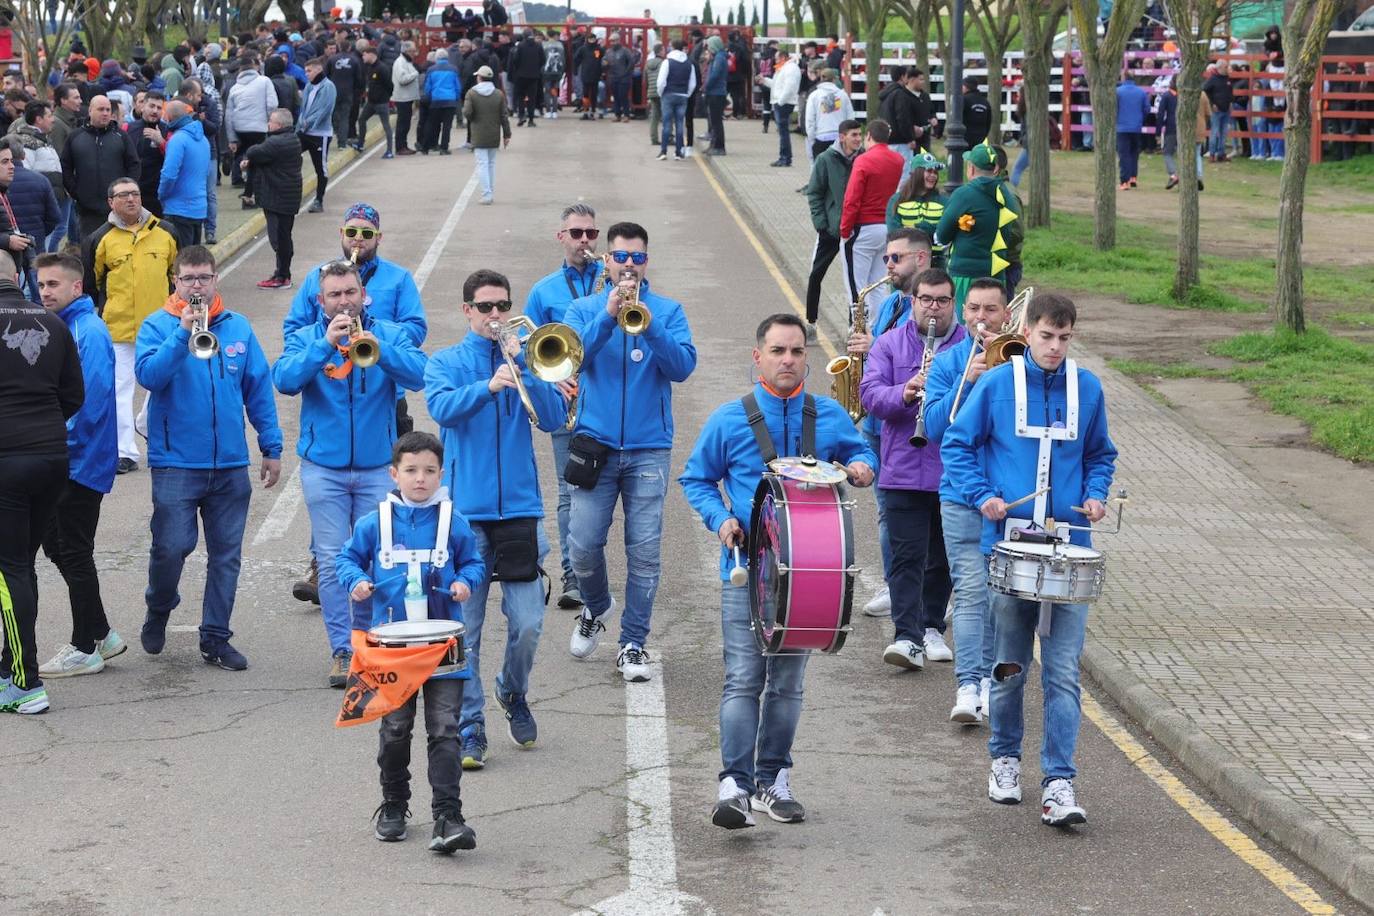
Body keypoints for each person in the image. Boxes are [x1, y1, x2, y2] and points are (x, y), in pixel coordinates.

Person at [680, 312, 875, 829]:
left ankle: (772, 778)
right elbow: (696, 479)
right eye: (777, 351)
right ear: (758, 356)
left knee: (787, 685)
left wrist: (862, 466)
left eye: (796, 352)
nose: (788, 360)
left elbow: (861, 451)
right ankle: (734, 785)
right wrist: (721, 520)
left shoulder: (829, 414)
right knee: (744, 679)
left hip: (811, 574)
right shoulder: (729, 419)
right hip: (748, 571)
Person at [941, 292, 1117, 826]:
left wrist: (1095, 492)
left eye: (1065, 338)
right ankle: (1005, 760)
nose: (1055, 347)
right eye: (1046, 336)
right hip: (1009, 545)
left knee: (1063, 672)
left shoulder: (1087, 388)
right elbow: (956, 444)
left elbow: (1099, 454)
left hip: (1070, 549)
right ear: (1027, 330)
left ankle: (1059, 781)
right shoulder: (995, 384)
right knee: (1010, 667)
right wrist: (981, 495)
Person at [424, 268, 565, 770]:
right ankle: (471, 724)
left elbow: (551, 420)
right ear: (467, 311)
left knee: (528, 622)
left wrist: (529, 370)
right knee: (468, 627)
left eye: (501, 305)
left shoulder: (527, 354)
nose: (495, 315)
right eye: (484, 307)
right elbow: (440, 408)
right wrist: (487, 386)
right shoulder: (446, 361)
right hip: (466, 513)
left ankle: (513, 689)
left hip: (521, 509)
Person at [274, 257, 427, 687]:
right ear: (321, 301)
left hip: (379, 467)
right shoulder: (307, 337)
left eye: (350, 293)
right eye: (335, 295)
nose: (344, 302)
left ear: (364, 295)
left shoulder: (387, 332)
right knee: (331, 560)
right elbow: (284, 379)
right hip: (324, 469)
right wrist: (324, 345)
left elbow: (418, 375)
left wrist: (377, 344)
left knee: (373, 559)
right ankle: (342, 650)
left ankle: (368, 643)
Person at [335, 431, 484, 852]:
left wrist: (464, 582)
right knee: (397, 727)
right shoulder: (375, 522)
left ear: (441, 474)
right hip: (392, 646)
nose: (420, 479)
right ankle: (394, 804)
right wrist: (358, 581)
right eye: (411, 470)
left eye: (430, 471)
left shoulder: (453, 521)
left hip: (443, 644)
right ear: (394, 473)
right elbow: (346, 558)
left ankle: (448, 816)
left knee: (446, 728)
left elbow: (474, 561)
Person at [134, 245, 281, 669]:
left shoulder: (238, 327)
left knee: (226, 556)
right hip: (176, 463)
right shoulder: (156, 326)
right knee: (172, 547)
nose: (196, 286)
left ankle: (215, 637)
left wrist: (270, 446)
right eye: (188, 279)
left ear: (216, 279)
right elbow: (148, 376)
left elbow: (258, 389)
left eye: (204, 278)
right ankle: (159, 607)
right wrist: (182, 333)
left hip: (230, 465)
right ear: (175, 283)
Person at [564, 222, 696, 682]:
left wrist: (651, 325)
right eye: (620, 257)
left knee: (644, 553)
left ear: (647, 261)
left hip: (648, 450)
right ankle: (597, 606)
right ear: (607, 261)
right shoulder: (582, 308)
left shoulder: (668, 310)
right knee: (581, 546)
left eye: (637, 257)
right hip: (595, 445)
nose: (628, 265)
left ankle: (633, 642)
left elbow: (682, 368)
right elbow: (571, 358)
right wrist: (606, 315)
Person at [284, 202, 428, 603]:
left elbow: (416, 330)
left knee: (379, 504)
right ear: (342, 234)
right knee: (330, 483)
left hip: (384, 392)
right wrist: (325, 337)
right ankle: (324, 563)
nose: (358, 240)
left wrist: (380, 338)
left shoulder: (398, 280)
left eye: (367, 233)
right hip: (331, 390)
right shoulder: (318, 279)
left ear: (378, 237)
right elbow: (294, 330)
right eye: (352, 232)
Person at [859, 267, 963, 671]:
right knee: (906, 556)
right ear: (913, 302)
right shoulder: (888, 344)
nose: (933, 308)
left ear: (952, 303)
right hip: (902, 467)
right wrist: (905, 390)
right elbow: (870, 397)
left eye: (941, 300)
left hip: (950, 469)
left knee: (942, 557)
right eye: (926, 300)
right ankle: (907, 637)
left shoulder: (968, 348)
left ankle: (933, 626)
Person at [920, 277, 1012, 722]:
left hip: (1010, 502)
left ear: (1006, 315)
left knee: (1002, 597)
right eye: (973, 308)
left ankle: (995, 684)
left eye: (990, 310)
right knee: (973, 592)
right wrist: (967, 379)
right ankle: (968, 687)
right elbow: (936, 428)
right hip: (960, 496)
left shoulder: (1020, 363)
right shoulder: (947, 361)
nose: (980, 318)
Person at [0, 250, 84, 714]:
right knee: (18, 567)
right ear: (18, 279)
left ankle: (24, 682)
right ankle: (10, 665)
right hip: (51, 457)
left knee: (9, 571)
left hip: (8, 461)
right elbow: (74, 394)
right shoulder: (53, 323)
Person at [33, 253, 123, 679]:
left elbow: (87, 403)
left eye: (54, 284)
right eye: (42, 283)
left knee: (73, 550)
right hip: (66, 459)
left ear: (77, 288)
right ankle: (102, 632)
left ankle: (84, 646)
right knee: (57, 545)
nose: (46, 291)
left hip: (79, 462)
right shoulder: (62, 326)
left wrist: (53, 445)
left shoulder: (87, 330)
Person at [524, 203, 604, 611]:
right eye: (576, 233)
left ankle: (593, 571)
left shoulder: (614, 284)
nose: (585, 241)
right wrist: (555, 384)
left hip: (607, 405)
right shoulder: (543, 291)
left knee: (608, 492)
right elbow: (530, 351)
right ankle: (574, 575)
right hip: (567, 403)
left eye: (591, 233)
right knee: (570, 492)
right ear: (562, 238)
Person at [849, 228, 932, 618]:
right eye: (885, 259)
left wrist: (874, 346)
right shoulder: (889, 301)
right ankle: (895, 583)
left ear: (921, 259)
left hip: (907, 422)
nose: (887, 266)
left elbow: (916, 349)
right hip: (878, 419)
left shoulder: (935, 305)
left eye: (895, 258)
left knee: (904, 513)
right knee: (885, 510)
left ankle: (906, 589)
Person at [85, 177, 179, 475]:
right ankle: (125, 452)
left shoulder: (165, 232)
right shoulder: (100, 238)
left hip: (160, 327)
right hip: (118, 327)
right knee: (119, 390)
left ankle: (145, 422)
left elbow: (177, 274)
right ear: (110, 202)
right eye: (123, 195)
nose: (131, 200)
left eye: (135, 194)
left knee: (161, 382)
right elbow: (93, 282)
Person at [934, 144, 1023, 316]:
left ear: (971, 168)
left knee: (964, 326)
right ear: (995, 169)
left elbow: (942, 235)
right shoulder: (1006, 194)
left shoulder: (964, 194)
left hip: (965, 274)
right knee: (992, 326)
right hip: (996, 276)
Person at [841, 119, 905, 322]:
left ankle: (857, 330)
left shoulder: (863, 160)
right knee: (878, 285)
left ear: (869, 136)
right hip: (885, 227)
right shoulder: (898, 160)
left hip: (862, 227)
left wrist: (845, 229)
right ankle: (879, 328)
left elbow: (852, 198)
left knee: (856, 286)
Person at [803, 119, 861, 328]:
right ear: (842, 136)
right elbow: (815, 192)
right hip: (830, 230)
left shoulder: (862, 159)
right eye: (853, 135)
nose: (858, 139)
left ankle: (853, 325)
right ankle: (811, 321)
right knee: (816, 274)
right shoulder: (826, 159)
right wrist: (821, 224)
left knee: (853, 282)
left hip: (854, 232)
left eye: (859, 134)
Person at [61, 96, 141, 240]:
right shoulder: (75, 137)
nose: (105, 113)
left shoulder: (121, 136)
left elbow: (134, 165)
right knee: (90, 251)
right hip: (88, 210)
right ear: (90, 111)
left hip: (117, 209)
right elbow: (65, 166)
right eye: (100, 109)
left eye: (108, 110)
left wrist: (127, 191)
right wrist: (76, 192)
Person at [244, 108, 303, 289]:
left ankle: (283, 276)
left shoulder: (276, 142)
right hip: (287, 196)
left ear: (278, 125)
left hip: (279, 198)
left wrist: (250, 160)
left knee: (279, 238)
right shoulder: (292, 139)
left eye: (270, 121)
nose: (268, 124)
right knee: (284, 236)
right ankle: (281, 273)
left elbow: (254, 152)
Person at [158, 99, 211, 249]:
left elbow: (168, 175)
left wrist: (161, 195)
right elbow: (206, 172)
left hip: (178, 209)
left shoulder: (177, 140)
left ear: (168, 117)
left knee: (180, 262)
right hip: (199, 208)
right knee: (193, 262)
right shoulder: (203, 140)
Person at [224, 54, 275, 205]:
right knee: (258, 161)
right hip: (259, 128)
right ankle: (253, 194)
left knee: (247, 157)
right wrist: (268, 122)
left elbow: (229, 115)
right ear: (255, 68)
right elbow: (272, 104)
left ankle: (245, 187)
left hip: (240, 128)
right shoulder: (264, 81)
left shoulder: (235, 87)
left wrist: (232, 138)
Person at [886, 152, 948, 266]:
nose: (933, 176)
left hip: (936, 263)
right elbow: (894, 233)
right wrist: (930, 230)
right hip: (903, 262)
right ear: (916, 173)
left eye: (935, 172)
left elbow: (944, 231)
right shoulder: (897, 200)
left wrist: (915, 227)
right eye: (929, 171)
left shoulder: (943, 202)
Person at [462, 65, 511, 206]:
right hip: (494, 133)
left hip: (478, 132)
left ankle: (486, 193)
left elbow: (467, 112)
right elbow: (504, 116)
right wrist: (507, 134)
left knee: (482, 164)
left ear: (479, 77)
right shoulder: (498, 94)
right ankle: (490, 191)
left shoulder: (471, 93)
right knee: (491, 164)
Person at [1156, 75, 1208, 192]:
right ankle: (1190, 178)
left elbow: (1160, 114)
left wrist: (1158, 132)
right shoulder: (1187, 96)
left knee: (1168, 153)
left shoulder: (1167, 95)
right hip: (1185, 128)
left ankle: (1173, 175)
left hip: (1171, 128)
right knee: (1186, 154)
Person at [298, 57, 337, 213]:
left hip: (321, 134)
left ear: (318, 69)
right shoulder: (308, 86)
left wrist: (308, 123)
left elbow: (324, 109)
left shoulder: (328, 87)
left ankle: (319, 200)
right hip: (304, 132)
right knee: (290, 157)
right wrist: (300, 124)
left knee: (320, 168)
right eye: (305, 71)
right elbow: (304, 108)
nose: (306, 74)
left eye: (309, 71)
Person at [756, 48, 799, 167]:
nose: (775, 60)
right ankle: (784, 157)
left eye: (777, 58)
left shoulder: (790, 69)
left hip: (784, 103)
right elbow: (777, 85)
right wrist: (764, 81)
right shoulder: (783, 68)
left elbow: (789, 87)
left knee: (783, 132)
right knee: (782, 131)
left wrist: (780, 101)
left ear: (783, 57)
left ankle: (785, 158)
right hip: (781, 102)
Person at [656, 38, 696, 161]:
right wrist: (687, 94)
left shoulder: (667, 62)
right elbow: (693, 83)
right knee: (680, 124)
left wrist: (661, 93)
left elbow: (661, 81)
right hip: (682, 96)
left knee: (667, 124)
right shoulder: (689, 64)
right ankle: (678, 152)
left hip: (668, 94)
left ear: (673, 47)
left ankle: (663, 151)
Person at [129, 91, 167, 217]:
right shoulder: (129, 128)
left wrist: (161, 142)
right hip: (133, 191)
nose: (155, 111)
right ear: (143, 106)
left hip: (157, 194)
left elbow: (175, 160)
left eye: (159, 108)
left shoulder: (167, 130)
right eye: (152, 106)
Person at [804, 68, 854, 162]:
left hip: (821, 137)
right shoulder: (843, 95)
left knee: (821, 171)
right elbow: (850, 118)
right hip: (840, 138)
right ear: (834, 79)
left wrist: (812, 139)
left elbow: (810, 120)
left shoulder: (814, 96)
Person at [420, 48, 461, 155]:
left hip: (436, 100)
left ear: (436, 58)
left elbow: (428, 87)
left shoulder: (431, 69)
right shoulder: (454, 69)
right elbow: (457, 86)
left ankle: (425, 147)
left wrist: (429, 97)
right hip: (450, 100)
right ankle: (444, 148)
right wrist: (456, 97)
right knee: (447, 126)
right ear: (447, 58)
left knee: (431, 124)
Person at [358, 42, 395, 158]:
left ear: (371, 55)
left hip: (382, 102)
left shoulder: (382, 68)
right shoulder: (369, 67)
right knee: (361, 119)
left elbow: (389, 85)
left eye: (364, 55)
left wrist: (386, 97)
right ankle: (360, 144)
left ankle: (389, 151)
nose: (363, 57)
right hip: (371, 102)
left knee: (386, 126)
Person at [1115, 73, 1149, 189]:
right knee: (1134, 153)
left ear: (1123, 79)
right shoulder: (1141, 92)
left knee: (1123, 154)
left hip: (1121, 127)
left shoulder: (1117, 91)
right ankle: (1133, 177)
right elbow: (1146, 109)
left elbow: (1114, 108)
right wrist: (1140, 119)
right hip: (1136, 127)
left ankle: (1124, 181)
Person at [510, 29, 546, 127]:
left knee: (521, 97)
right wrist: (536, 68)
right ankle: (531, 120)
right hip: (534, 76)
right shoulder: (538, 46)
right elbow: (543, 60)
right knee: (532, 98)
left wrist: (519, 69)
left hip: (521, 75)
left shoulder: (520, 46)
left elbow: (515, 60)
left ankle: (521, 116)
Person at [392, 42, 420, 154]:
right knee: (402, 124)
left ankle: (404, 145)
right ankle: (400, 147)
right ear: (406, 51)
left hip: (407, 97)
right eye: (413, 51)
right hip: (402, 98)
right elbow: (402, 79)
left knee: (406, 123)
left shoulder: (406, 61)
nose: (415, 53)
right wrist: (415, 74)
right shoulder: (400, 62)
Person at [703, 36, 729, 155]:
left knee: (716, 121)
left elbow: (714, 75)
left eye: (709, 46)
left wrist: (706, 86)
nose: (707, 48)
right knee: (713, 121)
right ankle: (713, 145)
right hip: (715, 92)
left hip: (716, 93)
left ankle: (718, 147)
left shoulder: (719, 58)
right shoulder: (718, 57)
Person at [604, 32, 635, 123]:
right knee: (616, 97)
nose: (612, 43)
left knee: (623, 96)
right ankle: (617, 115)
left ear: (618, 40)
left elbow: (631, 62)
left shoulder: (625, 51)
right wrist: (604, 63)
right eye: (611, 41)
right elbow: (604, 61)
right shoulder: (608, 52)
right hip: (613, 78)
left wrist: (626, 73)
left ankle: (626, 115)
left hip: (624, 79)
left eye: (613, 41)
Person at [961, 76, 992, 147]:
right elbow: (989, 121)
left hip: (966, 137)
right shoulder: (985, 101)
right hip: (981, 137)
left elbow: (959, 118)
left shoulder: (964, 99)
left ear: (966, 87)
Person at [645, 42, 664, 144]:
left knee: (654, 117)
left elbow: (645, 79)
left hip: (651, 92)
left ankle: (654, 139)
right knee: (666, 115)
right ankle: (667, 137)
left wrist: (649, 90)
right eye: (663, 50)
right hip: (661, 92)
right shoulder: (663, 63)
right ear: (660, 51)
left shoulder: (648, 63)